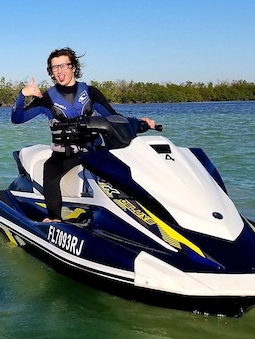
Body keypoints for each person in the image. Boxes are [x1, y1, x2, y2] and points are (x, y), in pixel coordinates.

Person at [11, 47, 155, 223]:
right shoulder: (47, 98)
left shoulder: (91, 92)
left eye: (64, 66)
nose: (59, 71)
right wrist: (22, 95)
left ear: (73, 67)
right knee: (50, 171)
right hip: (64, 155)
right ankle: (54, 218)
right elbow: (17, 118)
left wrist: (140, 123)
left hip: (93, 150)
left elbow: (114, 117)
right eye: (55, 67)